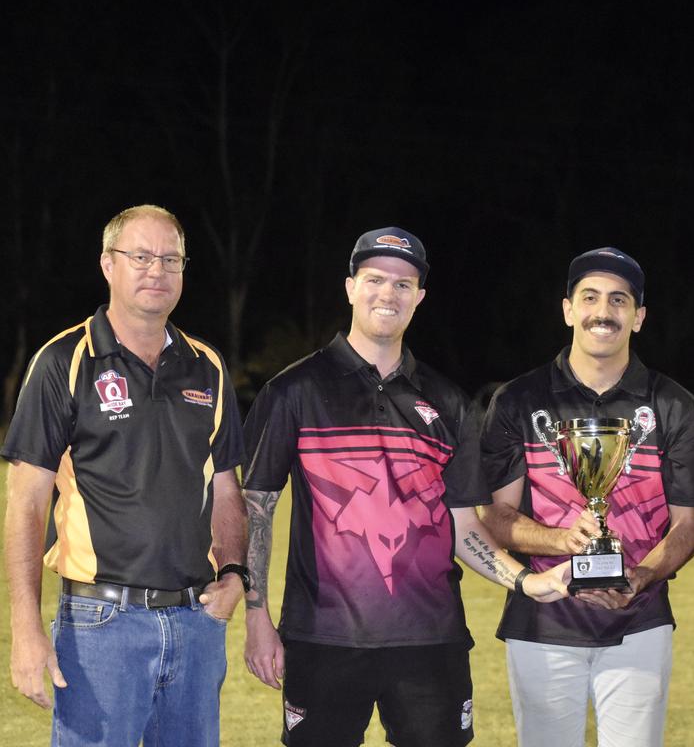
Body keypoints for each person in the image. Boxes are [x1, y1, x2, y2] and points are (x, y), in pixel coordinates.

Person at [241, 226, 569, 747]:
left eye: (402, 283)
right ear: (350, 287)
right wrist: (256, 617)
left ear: (419, 297)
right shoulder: (293, 391)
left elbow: (463, 526)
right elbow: (255, 508)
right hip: (322, 639)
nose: (387, 294)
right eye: (375, 279)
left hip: (430, 641)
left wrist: (524, 581)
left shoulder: (449, 401)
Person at [1, 204, 248, 747]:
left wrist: (234, 572)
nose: (156, 270)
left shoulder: (207, 366)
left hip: (195, 622)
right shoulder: (64, 360)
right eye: (139, 256)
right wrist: (25, 629)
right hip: (100, 626)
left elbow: (227, 488)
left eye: (170, 259)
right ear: (108, 264)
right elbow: (24, 505)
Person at [478, 247, 694, 747]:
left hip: (640, 624)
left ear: (639, 316)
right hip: (542, 623)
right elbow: (496, 517)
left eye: (618, 300)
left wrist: (643, 576)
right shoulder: (519, 400)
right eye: (589, 297)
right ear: (568, 309)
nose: (603, 311)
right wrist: (565, 540)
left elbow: (688, 525)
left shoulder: (673, 404)